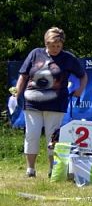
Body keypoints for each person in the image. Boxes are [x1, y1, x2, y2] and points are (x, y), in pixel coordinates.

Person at [15, 27, 87, 178]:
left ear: (62, 45)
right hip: (31, 103)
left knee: (52, 137)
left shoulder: (68, 58)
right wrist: (17, 92)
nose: (55, 49)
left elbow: (83, 76)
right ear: (46, 43)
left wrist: (80, 90)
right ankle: (30, 170)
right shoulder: (35, 53)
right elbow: (23, 75)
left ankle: (53, 169)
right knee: (31, 135)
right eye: (52, 45)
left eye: (58, 46)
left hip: (56, 104)